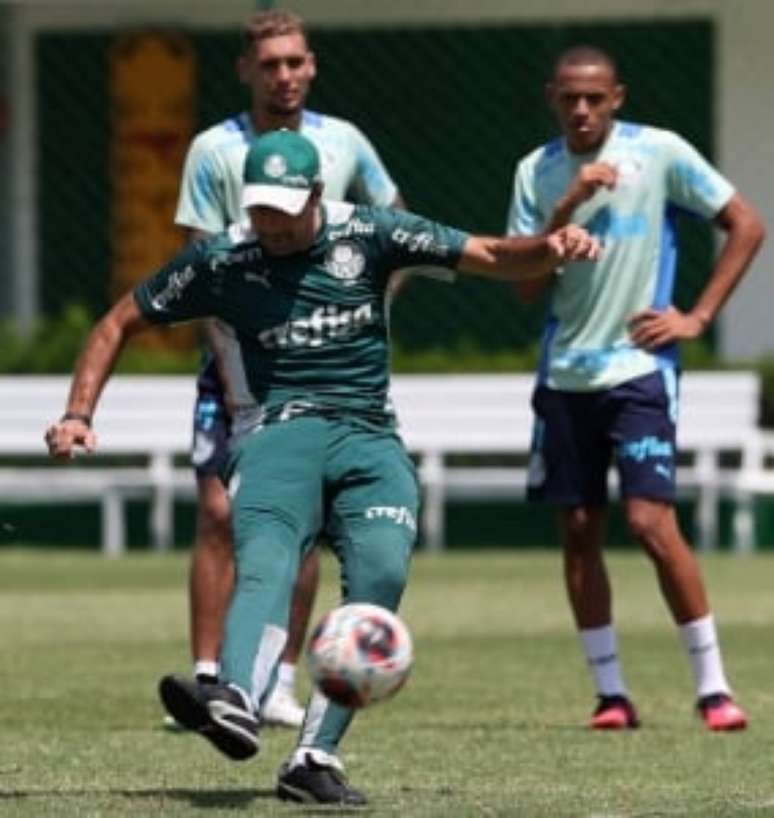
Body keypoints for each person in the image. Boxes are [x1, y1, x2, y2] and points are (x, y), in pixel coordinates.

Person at [45, 129, 599, 804]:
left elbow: (489, 253)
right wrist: (78, 412)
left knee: (382, 572)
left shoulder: (372, 232)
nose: (271, 224)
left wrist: (550, 247)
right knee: (271, 557)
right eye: (260, 209)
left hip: (370, 434)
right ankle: (236, 697)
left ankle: (313, 758)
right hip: (275, 431)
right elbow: (116, 324)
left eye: (284, 207)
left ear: (316, 193)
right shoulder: (221, 258)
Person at [506, 45, 765, 731]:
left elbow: (746, 223)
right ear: (551, 98)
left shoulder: (661, 153)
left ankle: (713, 688)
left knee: (651, 523)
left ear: (616, 97)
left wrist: (698, 316)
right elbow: (525, 284)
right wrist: (567, 207)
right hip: (565, 376)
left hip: (640, 371)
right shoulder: (535, 172)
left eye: (595, 97)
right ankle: (611, 694)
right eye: (569, 98)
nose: (582, 109)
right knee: (581, 529)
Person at [175, 9, 405, 728]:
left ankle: (273, 680)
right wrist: (239, 360)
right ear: (247, 69)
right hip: (236, 368)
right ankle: (212, 677)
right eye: (270, 64)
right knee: (221, 514)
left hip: (323, 377)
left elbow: (392, 224)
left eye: (296, 62)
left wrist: (361, 305)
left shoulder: (344, 144)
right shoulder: (215, 150)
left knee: (301, 520)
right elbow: (198, 265)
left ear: (312, 66)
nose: (285, 76)